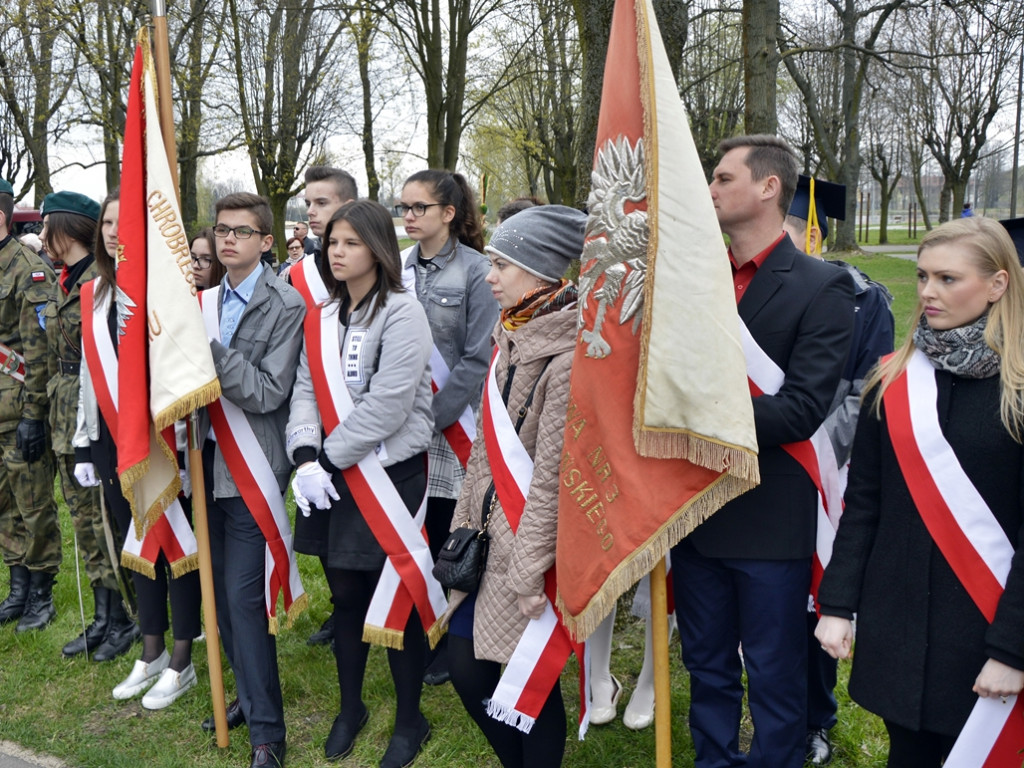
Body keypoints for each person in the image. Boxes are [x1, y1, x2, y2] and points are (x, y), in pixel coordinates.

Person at [670, 135, 855, 768]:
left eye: (723, 178)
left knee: (776, 678)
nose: (711, 189)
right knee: (707, 668)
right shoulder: (691, 285)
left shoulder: (822, 286)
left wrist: (690, 418)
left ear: (769, 187)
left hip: (769, 518)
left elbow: (803, 409)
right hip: (691, 514)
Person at [816, 217, 1024, 767]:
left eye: (948, 279)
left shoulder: (1019, 388)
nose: (927, 292)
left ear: (998, 285)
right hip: (898, 620)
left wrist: (1013, 650)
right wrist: (838, 605)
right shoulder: (894, 378)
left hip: (986, 626)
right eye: (923, 276)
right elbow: (864, 504)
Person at [286, 200, 435, 767]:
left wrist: (326, 459)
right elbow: (305, 386)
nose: (337, 251)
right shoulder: (321, 315)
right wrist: (304, 456)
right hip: (327, 478)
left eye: (350, 242)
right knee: (345, 596)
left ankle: (410, 718)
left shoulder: (403, 312)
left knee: (395, 599)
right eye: (332, 243)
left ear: (377, 247)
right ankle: (351, 708)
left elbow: (389, 405)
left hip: (388, 474)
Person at [445, 204, 586, 768]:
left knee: (530, 680)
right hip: (486, 536)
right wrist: (461, 527)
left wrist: (530, 573)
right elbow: (485, 451)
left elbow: (552, 479)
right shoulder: (513, 336)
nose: (489, 276)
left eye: (502, 264)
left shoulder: (568, 356)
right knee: (466, 666)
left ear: (540, 270)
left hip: (531, 546)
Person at [72, 191, 203, 709]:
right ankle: (149, 651)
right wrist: (85, 442)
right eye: (106, 223)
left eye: (121, 224)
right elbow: (89, 374)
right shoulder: (94, 294)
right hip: (111, 442)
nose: (111, 232)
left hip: (163, 445)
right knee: (138, 552)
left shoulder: (164, 292)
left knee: (175, 551)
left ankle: (182, 659)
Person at [784, 174, 895, 764]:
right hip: (763, 468)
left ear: (814, 234)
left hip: (830, 468)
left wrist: (810, 452)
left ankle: (814, 718)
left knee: (816, 599)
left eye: (789, 230)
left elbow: (867, 394)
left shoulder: (863, 297)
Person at [197, 192, 305, 768]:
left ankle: (268, 732)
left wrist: (209, 352)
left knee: (242, 600)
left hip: (250, 471)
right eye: (221, 230)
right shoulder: (202, 301)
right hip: (201, 464)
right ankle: (242, 690)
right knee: (216, 591)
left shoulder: (286, 304)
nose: (228, 239)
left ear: (267, 241)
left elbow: (267, 391)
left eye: (242, 231)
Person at [398, 169, 498, 685]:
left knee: (454, 529)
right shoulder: (397, 269)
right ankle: (425, 626)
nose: (409, 216)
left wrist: (430, 420)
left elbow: (479, 357)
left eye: (419, 208)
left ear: (448, 214)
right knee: (417, 528)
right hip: (406, 425)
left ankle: (459, 632)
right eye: (404, 208)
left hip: (457, 423)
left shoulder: (479, 272)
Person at [47, 191, 137, 659]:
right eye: (108, 223)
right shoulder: (74, 284)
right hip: (68, 416)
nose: (43, 237)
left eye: (50, 226)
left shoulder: (101, 284)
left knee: (108, 522)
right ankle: (106, 615)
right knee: (86, 522)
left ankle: (127, 613)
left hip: (102, 416)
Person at [288, 166, 358, 649]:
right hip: (315, 417)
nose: (312, 212)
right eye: (308, 204)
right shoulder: (297, 275)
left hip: (365, 422)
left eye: (323, 203)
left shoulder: (373, 267)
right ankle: (342, 610)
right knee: (325, 531)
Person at [0, 179, 61, 633]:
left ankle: (41, 593)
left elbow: (39, 347)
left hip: (19, 407)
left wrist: (33, 414)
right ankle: (17, 587)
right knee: (4, 505)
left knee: (33, 503)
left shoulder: (27, 268)